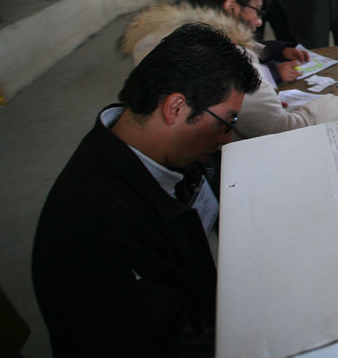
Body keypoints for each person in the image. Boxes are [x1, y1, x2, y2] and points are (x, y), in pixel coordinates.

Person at [33, 23, 260, 356]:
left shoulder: (158, 153)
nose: (225, 139)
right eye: (226, 123)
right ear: (176, 108)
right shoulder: (101, 226)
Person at [122, 0, 338, 137]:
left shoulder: (160, 34)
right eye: (256, 10)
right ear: (232, 8)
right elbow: (283, 129)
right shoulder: (229, 57)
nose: (258, 22)